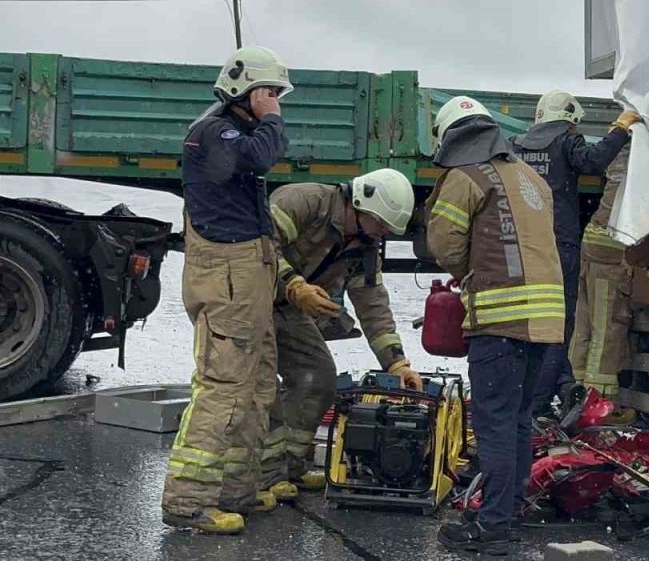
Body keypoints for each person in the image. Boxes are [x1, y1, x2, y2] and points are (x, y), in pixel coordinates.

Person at [162, 46, 293, 534]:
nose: (276, 101)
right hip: (230, 275)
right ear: (249, 90)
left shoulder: (227, 129)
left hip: (248, 271)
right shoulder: (214, 132)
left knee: (257, 383)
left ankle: (237, 487)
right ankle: (187, 501)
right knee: (223, 389)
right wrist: (271, 119)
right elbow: (261, 158)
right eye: (270, 92)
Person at [426, 96, 563, 556]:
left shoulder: (465, 177)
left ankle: (492, 528)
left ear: (451, 137)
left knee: (496, 425)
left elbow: (445, 247)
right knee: (519, 421)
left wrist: (470, 273)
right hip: (545, 324)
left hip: (501, 322)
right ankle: (511, 508)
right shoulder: (532, 179)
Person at [257, 168, 423, 501]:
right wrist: (293, 285)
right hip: (249, 298)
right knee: (261, 386)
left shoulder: (364, 244)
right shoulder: (303, 202)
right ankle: (263, 476)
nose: (382, 236)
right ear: (361, 204)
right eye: (381, 225)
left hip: (287, 306)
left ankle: (290, 466)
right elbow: (259, 250)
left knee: (317, 377)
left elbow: (372, 303)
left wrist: (397, 363)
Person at [511, 90, 638, 416]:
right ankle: (536, 406)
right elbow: (594, 161)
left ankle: (560, 386)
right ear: (568, 118)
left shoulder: (516, 147)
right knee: (557, 326)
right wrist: (621, 128)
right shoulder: (566, 142)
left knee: (528, 325)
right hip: (558, 247)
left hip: (523, 248)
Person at [568, 142, 643, 418]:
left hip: (593, 240)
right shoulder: (638, 162)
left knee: (584, 325)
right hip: (612, 245)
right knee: (608, 326)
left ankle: (575, 396)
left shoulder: (619, 160)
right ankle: (599, 405)